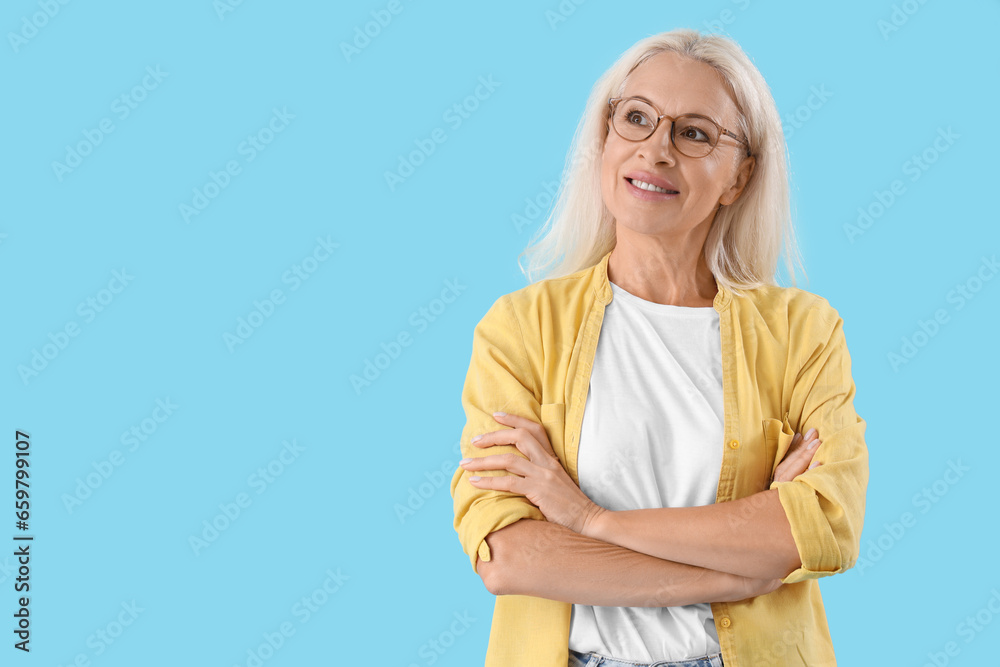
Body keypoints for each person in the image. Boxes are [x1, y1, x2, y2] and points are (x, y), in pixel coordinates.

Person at [449, 28, 868, 667]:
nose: (656, 150)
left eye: (694, 133)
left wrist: (591, 523)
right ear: (604, 140)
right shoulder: (521, 329)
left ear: (739, 176)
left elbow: (823, 529)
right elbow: (508, 555)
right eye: (636, 119)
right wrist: (744, 572)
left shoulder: (803, 332)